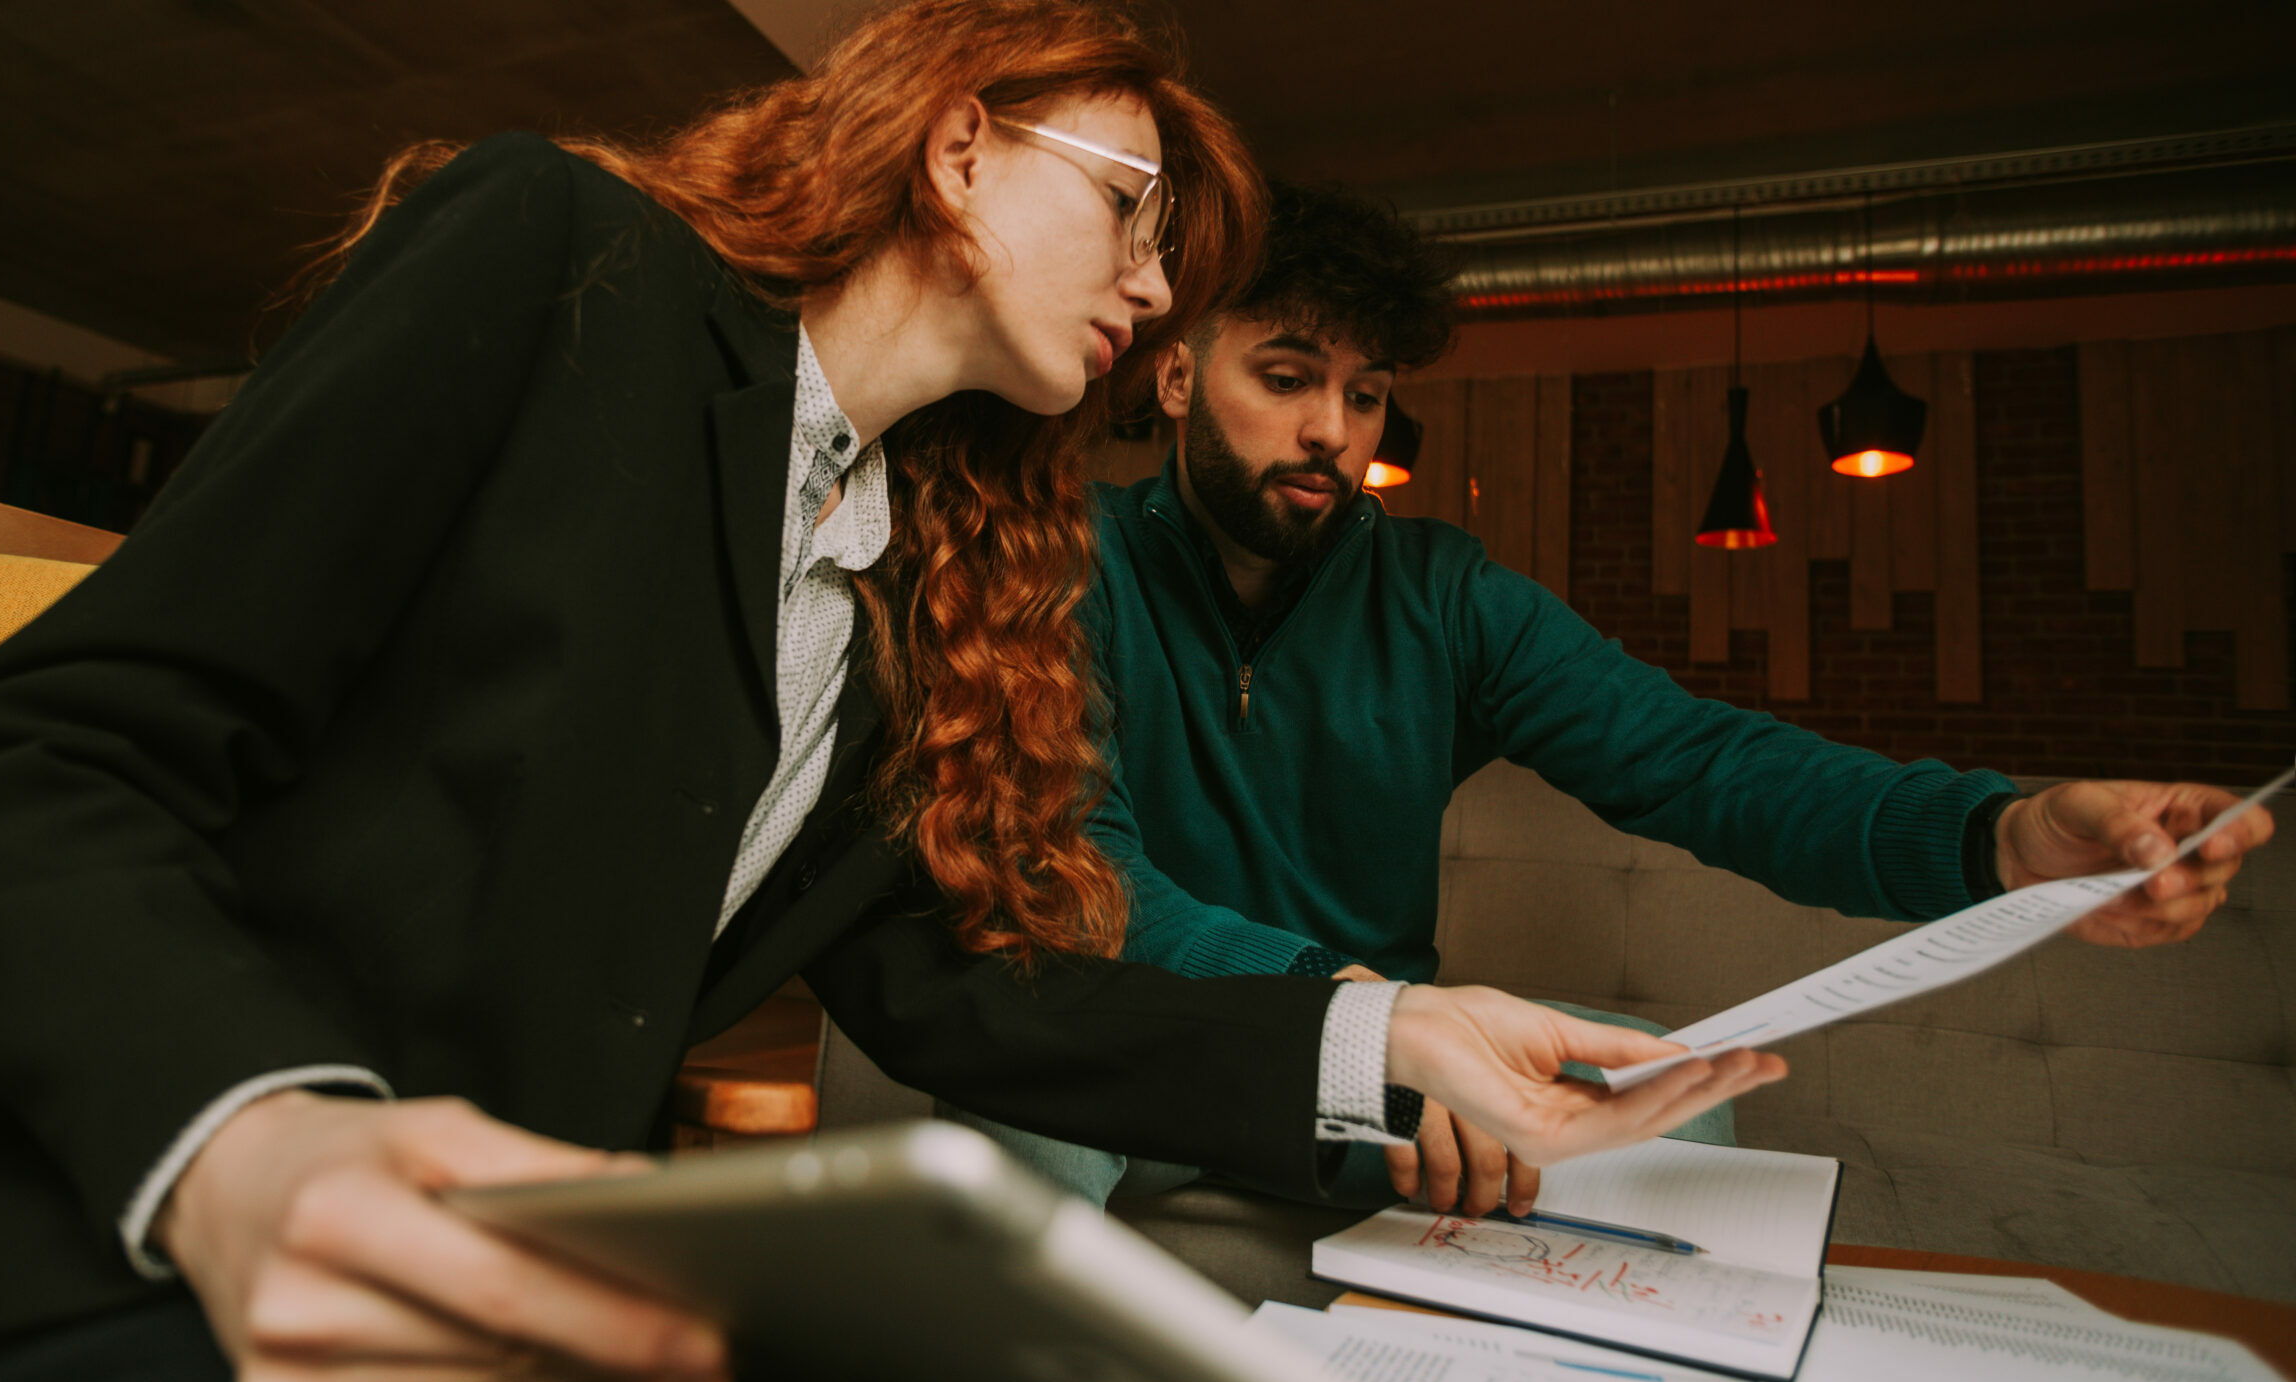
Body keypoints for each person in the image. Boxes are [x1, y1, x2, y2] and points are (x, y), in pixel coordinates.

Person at [0, 6, 1778, 1382]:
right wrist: (255, 1136)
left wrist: (1382, 1032)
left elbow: (968, 993)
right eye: (1141, 214)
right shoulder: (558, 260)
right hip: (44, 1257)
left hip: (458, 1313)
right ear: (961, 151)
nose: (1159, 291)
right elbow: (34, 763)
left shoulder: (912, 594)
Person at [962, 178, 2275, 1233]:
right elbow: (1083, 866)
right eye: (1289, 378)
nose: (1334, 432)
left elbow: (1705, 765)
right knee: (1009, 1103)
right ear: (1180, 377)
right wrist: (1364, 1015)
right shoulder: (1065, 562)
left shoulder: (1444, 596)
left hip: (1401, 1084)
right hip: (1168, 1047)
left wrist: (2003, 836)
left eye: (1365, 396)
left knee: (1673, 1092)